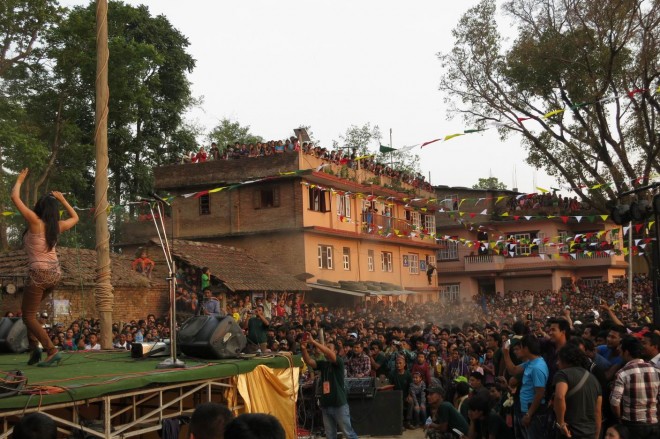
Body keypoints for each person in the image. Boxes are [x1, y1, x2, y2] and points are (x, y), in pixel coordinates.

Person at [11, 168, 79, 367]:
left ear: (39, 209)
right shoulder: (56, 226)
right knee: (29, 314)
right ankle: (34, 351)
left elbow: (15, 197)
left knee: (28, 315)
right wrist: (63, 200)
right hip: (54, 274)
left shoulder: (35, 222)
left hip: (39, 274)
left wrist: (20, 179)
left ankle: (51, 350)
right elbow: (75, 218)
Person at [300, 333, 358, 439]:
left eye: (328, 348)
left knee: (348, 433)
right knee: (330, 435)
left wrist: (313, 342)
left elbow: (330, 355)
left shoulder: (338, 362)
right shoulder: (323, 364)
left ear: (335, 351)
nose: (325, 349)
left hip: (339, 405)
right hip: (326, 405)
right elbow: (309, 361)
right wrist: (303, 349)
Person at [609, 336, 660, 439]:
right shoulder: (656, 371)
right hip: (653, 423)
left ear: (626, 352)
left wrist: (619, 418)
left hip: (632, 424)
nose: (619, 354)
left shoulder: (623, 373)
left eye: (620, 351)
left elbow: (614, 402)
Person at [502, 334, 549, 439]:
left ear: (526, 348)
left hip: (534, 414)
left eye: (521, 347)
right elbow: (513, 370)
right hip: (526, 410)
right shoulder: (530, 363)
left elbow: (540, 393)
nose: (518, 350)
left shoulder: (537, 367)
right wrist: (505, 353)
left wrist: (529, 414)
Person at [553, 343, 602, 439]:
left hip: (570, 432)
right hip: (589, 433)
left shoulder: (562, 374)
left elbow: (559, 396)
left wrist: (561, 423)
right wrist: (596, 435)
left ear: (566, 360)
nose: (557, 363)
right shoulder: (594, 379)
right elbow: (598, 412)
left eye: (559, 359)